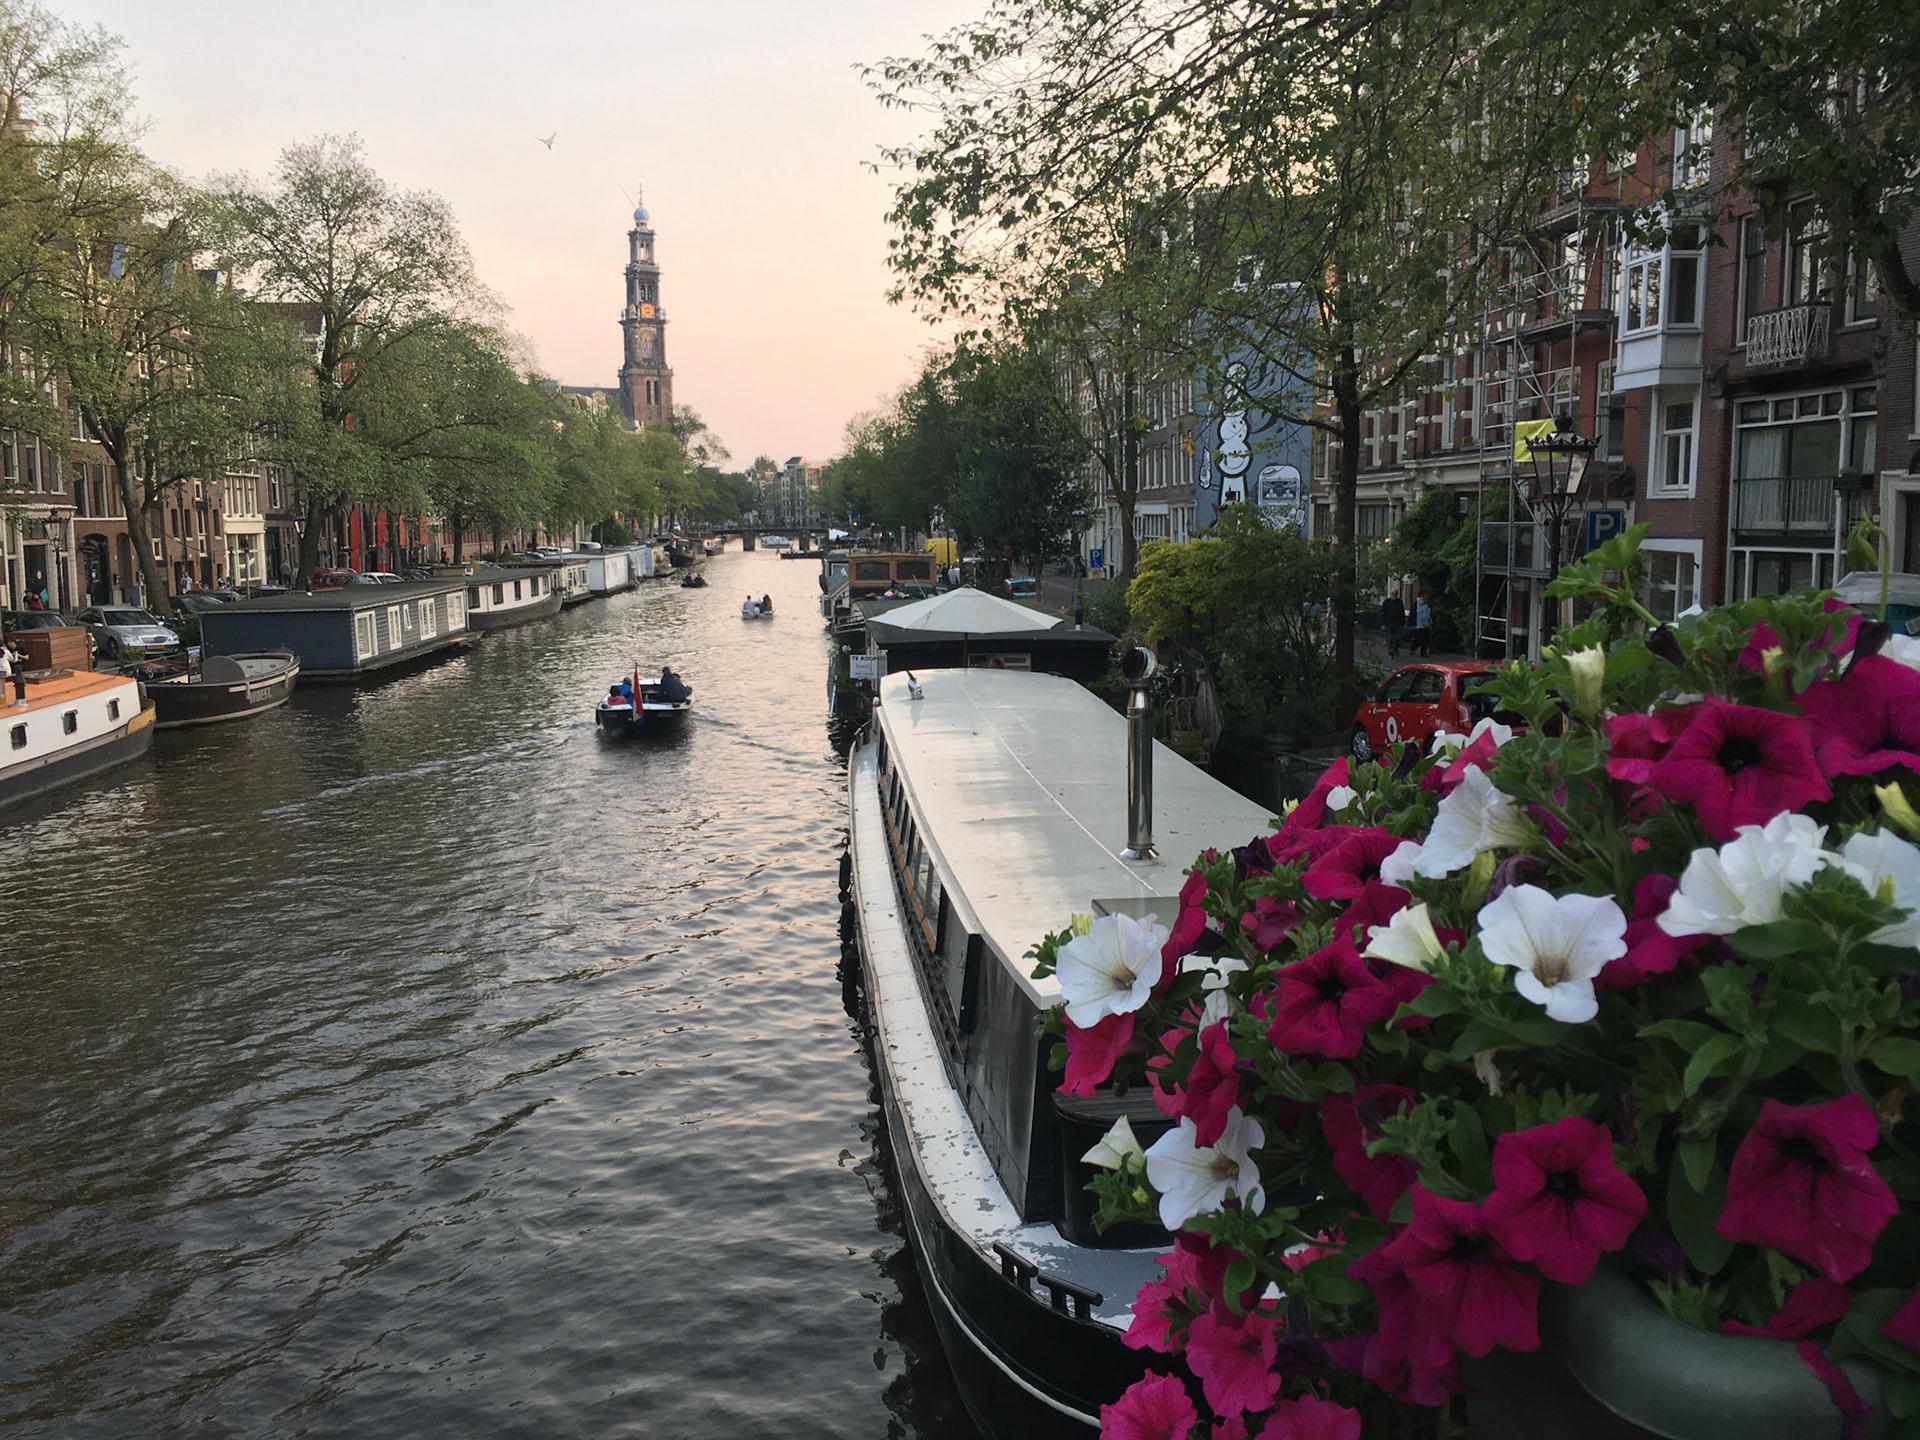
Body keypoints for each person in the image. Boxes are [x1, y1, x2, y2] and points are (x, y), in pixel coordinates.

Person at [1381, 587, 1406, 657]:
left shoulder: (1399, 602)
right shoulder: (1386, 602)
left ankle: (1394, 648)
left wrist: (1403, 622)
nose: (1394, 595)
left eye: (1395, 594)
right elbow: (1383, 613)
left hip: (1398, 624)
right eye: (1392, 594)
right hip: (1389, 623)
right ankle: (1390, 652)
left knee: (1397, 638)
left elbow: (1402, 613)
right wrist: (1383, 623)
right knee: (1389, 638)